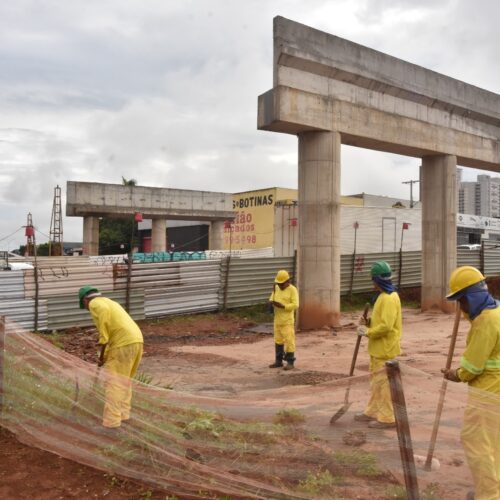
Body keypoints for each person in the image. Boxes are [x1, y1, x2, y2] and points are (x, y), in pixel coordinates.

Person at [442, 266, 500, 500]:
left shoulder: (484, 322)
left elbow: (473, 367)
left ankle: (488, 494)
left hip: (487, 390)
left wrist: (455, 374)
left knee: (475, 440)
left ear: (471, 298)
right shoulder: (497, 311)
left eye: (461, 301)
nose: (461, 308)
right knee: (494, 440)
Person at [79, 285, 144, 430]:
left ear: (85, 300)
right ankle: (123, 415)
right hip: (136, 341)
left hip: (122, 344)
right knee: (124, 381)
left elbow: (104, 317)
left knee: (114, 384)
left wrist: (103, 339)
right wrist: (105, 356)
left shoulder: (95, 303)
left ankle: (111, 424)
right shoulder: (111, 302)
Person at [354, 261, 402, 429]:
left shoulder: (389, 298)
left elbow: (387, 326)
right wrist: (368, 322)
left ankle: (387, 418)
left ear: (376, 280)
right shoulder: (383, 297)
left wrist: (366, 332)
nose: (372, 283)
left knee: (384, 386)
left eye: (373, 280)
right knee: (375, 382)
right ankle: (372, 411)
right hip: (378, 349)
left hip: (385, 349)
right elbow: (380, 321)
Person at [268, 270, 299, 370]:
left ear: (287, 281)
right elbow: (271, 298)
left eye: (282, 284)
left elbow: (295, 305)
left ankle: (290, 362)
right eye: (278, 283)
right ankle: (278, 361)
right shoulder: (276, 288)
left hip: (287, 321)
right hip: (277, 320)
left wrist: (283, 306)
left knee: (289, 341)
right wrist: (270, 304)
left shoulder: (293, 290)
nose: (280, 286)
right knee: (278, 340)